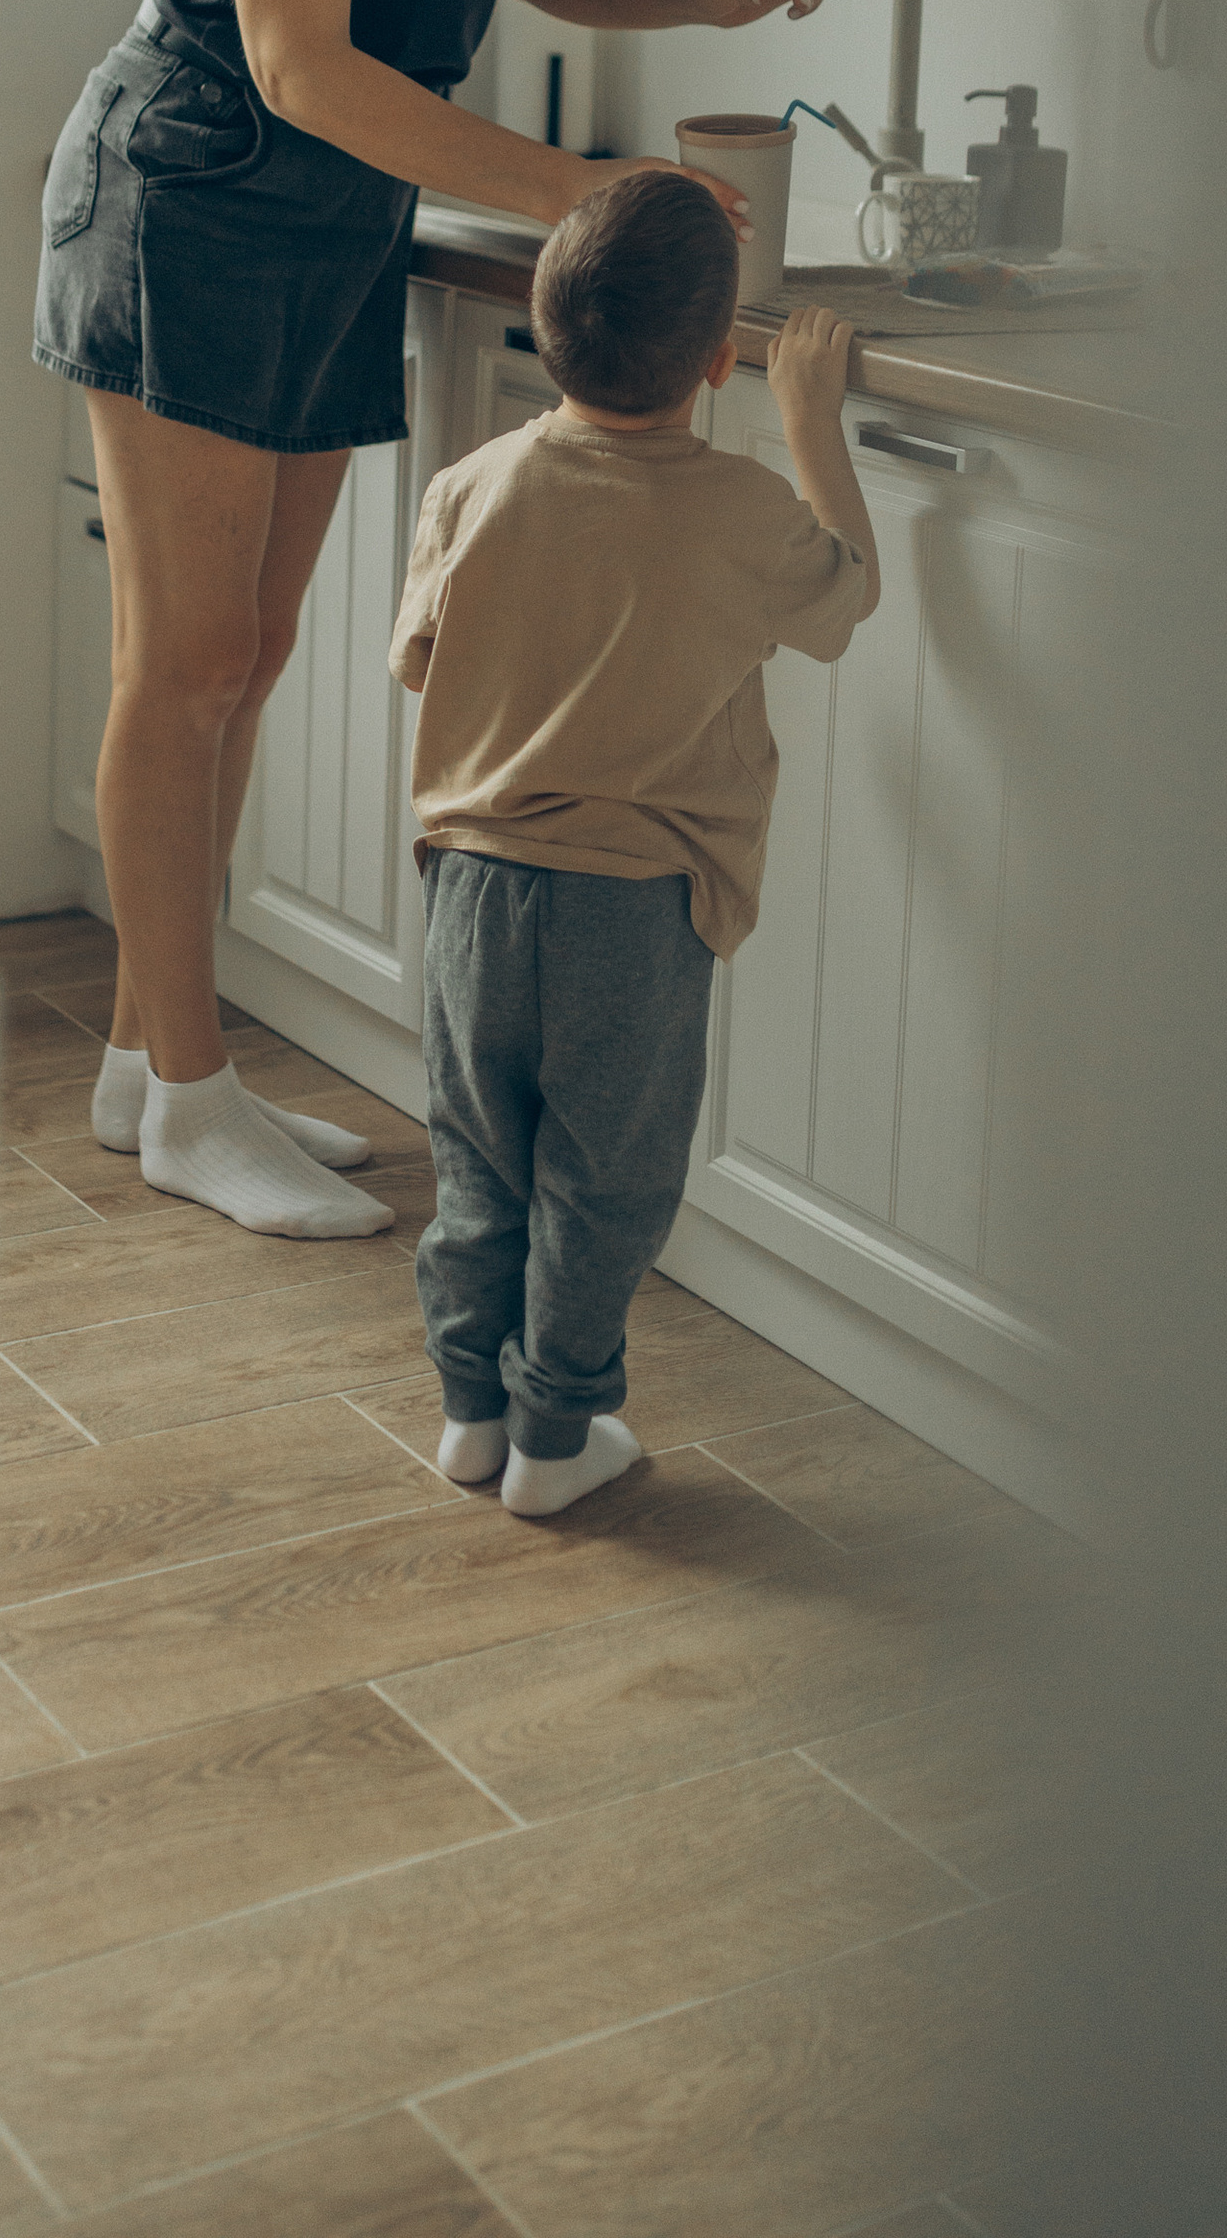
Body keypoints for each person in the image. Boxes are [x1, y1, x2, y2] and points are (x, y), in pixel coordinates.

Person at [34, 0, 837, 1238]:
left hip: (333, 208)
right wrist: (575, 184)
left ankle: (153, 1066)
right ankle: (191, 1085)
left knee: (257, 656)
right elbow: (304, 60)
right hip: (195, 187)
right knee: (188, 659)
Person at [388, 170, 880, 1514]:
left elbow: (419, 658)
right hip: (634, 905)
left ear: (545, 330)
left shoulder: (471, 484)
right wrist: (810, 422)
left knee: (477, 1159)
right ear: (720, 361)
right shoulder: (737, 509)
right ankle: (558, 1433)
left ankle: (470, 1412)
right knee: (602, 1179)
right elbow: (847, 595)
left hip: (473, 890)